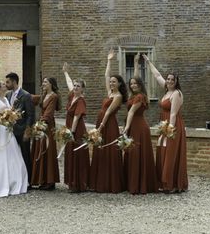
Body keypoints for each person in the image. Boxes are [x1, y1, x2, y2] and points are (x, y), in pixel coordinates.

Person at [144, 54, 188, 193]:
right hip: (165, 124)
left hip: (172, 126)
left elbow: (174, 113)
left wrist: (170, 130)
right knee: (162, 150)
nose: (169, 81)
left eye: (172, 80)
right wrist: (149, 62)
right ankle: (163, 182)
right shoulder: (166, 90)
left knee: (170, 153)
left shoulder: (176, 94)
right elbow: (157, 76)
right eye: (168, 79)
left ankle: (172, 184)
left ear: (176, 81)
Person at [89, 49, 127, 193]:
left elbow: (109, 112)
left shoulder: (118, 96)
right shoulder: (110, 92)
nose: (111, 83)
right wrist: (109, 61)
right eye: (110, 82)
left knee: (108, 150)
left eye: (113, 82)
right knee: (100, 150)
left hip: (108, 124)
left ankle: (110, 183)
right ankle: (99, 181)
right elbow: (106, 75)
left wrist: (101, 127)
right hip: (101, 121)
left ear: (119, 84)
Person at [122, 54, 158, 194]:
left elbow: (131, 112)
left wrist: (125, 128)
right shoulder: (133, 95)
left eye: (135, 84)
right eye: (131, 84)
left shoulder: (141, 96)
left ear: (140, 85)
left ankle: (139, 184)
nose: (133, 85)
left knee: (137, 153)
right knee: (132, 153)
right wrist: (136, 64)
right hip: (133, 126)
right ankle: (132, 182)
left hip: (138, 127)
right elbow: (136, 78)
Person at [62, 63, 89, 193]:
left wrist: (71, 132)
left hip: (77, 130)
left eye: (78, 86)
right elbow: (69, 83)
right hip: (70, 127)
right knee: (70, 153)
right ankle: (71, 182)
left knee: (77, 154)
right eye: (75, 86)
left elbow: (77, 117)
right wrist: (65, 72)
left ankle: (79, 183)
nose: (75, 87)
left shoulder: (80, 100)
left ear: (82, 89)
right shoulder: (72, 96)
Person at [30, 77, 60, 190]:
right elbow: (33, 98)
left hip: (47, 126)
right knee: (39, 149)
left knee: (47, 150)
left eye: (45, 82)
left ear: (51, 84)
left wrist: (41, 124)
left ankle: (49, 181)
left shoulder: (53, 96)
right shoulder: (44, 95)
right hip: (41, 124)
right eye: (43, 82)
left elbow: (49, 112)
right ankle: (40, 179)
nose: (43, 84)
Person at [4, 72, 34, 183]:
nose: (6, 84)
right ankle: (15, 179)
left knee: (25, 155)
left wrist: (27, 131)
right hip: (11, 132)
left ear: (14, 82)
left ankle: (29, 181)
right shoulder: (8, 95)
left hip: (22, 131)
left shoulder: (26, 95)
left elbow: (30, 115)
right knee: (13, 156)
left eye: (8, 82)